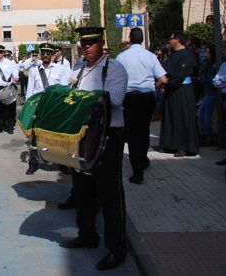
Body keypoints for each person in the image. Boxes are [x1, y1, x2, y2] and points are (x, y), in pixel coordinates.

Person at [59, 27, 128, 271]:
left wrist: (82, 100)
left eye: (92, 42)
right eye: (83, 42)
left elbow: (116, 99)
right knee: (82, 189)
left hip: (108, 135)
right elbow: (67, 95)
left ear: (101, 43)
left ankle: (116, 248)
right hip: (82, 134)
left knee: (109, 193)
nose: (86, 46)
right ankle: (87, 234)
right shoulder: (77, 68)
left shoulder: (113, 68)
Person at [115, 28, 167, 184]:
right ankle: (143, 160)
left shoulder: (122, 57)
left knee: (132, 134)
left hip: (129, 98)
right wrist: (154, 86)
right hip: (147, 97)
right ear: (142, 39)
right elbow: (163, 80)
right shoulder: (151, 56)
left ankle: (137, 171)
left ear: (130, 38)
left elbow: (117, 78)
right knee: (144, 130)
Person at [25, 43, 70, 175]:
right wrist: (30, 108)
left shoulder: (60, 69)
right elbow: (30, 91)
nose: (45, 56)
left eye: (48, 53)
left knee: (58, 137)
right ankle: (33, 163)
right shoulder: (34, 70)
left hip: (54, 108)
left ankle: (62, 163)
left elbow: (64, 90)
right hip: (39, 108)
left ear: (52, 54)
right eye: (43, 53)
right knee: (35, 137)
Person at [159, 31, 199, 157]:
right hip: (170, 90)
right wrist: (162, 84)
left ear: (176, 40)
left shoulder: (187, 55)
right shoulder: (172, 55)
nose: (169, 42)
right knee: (170, 117)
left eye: (171, 39)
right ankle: (170, 145)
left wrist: (167, 84)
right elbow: (164, 70)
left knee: (183, 117)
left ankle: (184, 146)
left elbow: (181, 74)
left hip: (182, 90)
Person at [198, 45, 218, 146]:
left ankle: (208, 136)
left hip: (211, 92)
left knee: (206, 115)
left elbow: (212, 79)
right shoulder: (207, 63)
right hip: (207, 92)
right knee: (201, 115)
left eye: (208, 52)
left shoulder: (214, 65)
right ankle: (209, 135)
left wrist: (203, 79)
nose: (206, 54)